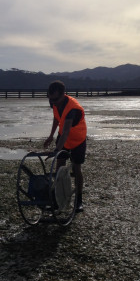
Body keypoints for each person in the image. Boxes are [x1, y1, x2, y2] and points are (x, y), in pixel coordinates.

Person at [43, 80, 87, 212]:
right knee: (59, 167)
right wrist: (51, 135)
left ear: (64, 94)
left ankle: (79, 200)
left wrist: (56, 150)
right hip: (63, 137)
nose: (53, 102)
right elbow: (57, 118)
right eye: (50, 99)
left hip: (78, 139)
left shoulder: (72, 108)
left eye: (55, 99)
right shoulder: (55, 103)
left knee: (76, 168)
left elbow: (67, 131)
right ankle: (57, 198)